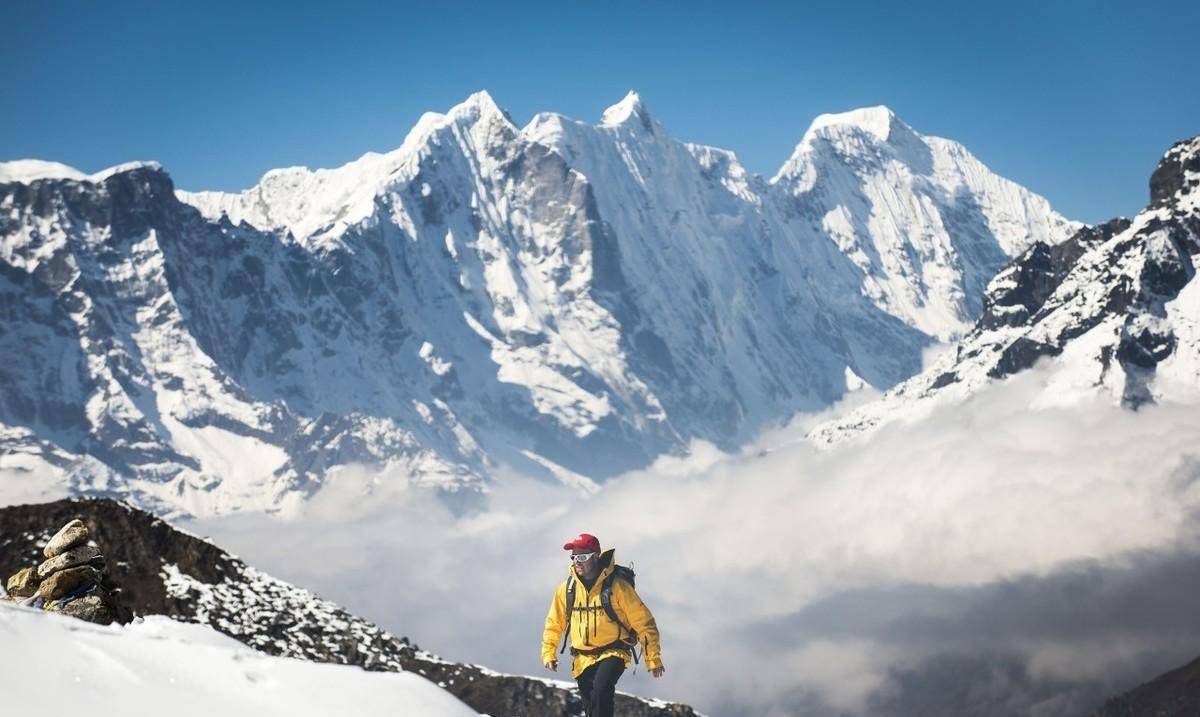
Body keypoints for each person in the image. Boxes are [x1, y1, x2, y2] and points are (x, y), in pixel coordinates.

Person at [541, 533, 664, 717]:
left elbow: (644, 623)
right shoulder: (566, 590)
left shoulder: (618, 587)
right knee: (592, 707)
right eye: (573, 557)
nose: (577, 562)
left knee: (601, 689)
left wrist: (652, 658)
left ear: (596, 557)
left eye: (582, 557)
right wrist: (548, 652)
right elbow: (554, 623)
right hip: (582, 658)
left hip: (614, 651)